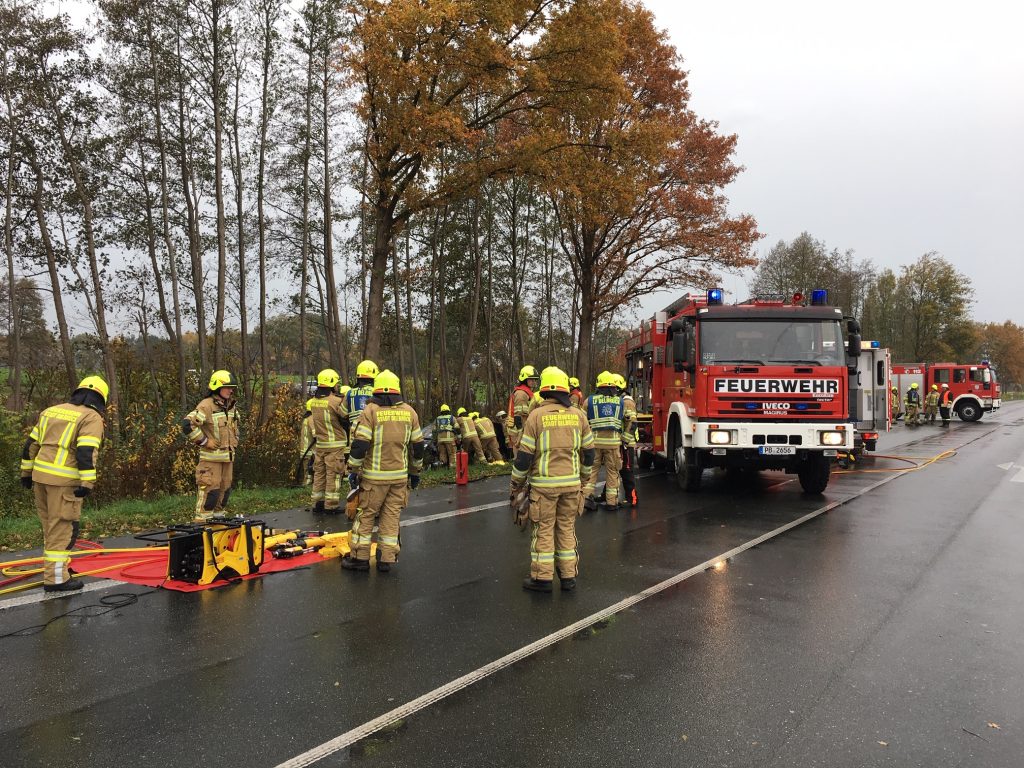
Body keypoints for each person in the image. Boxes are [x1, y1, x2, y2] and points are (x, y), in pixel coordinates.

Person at [510, 366, 595, 593]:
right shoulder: (579, 416)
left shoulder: (536, 417)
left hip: (543, 489)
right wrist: (584, 479)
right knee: (567, 529)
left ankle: (542, 579)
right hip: (572, 486)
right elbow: (589, 453)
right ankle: (568, 578)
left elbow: (524, 458)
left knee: (544, 531)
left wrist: (515, 485)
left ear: (544, 391)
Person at [20, 376, 107, 592]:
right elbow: (86, 452)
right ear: (100, 398)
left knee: (50, 527)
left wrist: (26, 473)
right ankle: (57, 579)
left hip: (41, 478)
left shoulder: (51, 411)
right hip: (65, 483)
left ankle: (58, 569)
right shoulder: (91, 417)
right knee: (62, 529)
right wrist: (87, 483)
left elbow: (30, 445)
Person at [343, 370, 424, 573]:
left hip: (373, 479)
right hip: (399, 478)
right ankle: (386, 559)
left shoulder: (370, 411)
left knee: (366, 515)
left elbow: (360, 445)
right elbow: (418, 447)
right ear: (397, 389)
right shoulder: (410, 412)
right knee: (391, 516)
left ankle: (360, 558)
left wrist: (352, 468)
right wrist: (415, 472)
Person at [183, 370, 240, 520]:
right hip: (210, 462)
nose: (231, 390)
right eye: (227, 387)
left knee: (224, 493)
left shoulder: (230, 406)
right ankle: (202, 526)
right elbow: (187, 425)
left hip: (227, 460)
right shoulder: (206, 406)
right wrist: (205, 441)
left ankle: (219, 525)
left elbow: (234, 428)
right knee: (210, 494)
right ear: (216, 387)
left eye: (231, 387)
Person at [585, 371, 626, 510]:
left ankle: (587, 498)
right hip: (613, 444)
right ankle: (611, 503)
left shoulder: (589, 401)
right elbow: (627, 420)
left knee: (591, 471)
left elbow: (583, 420)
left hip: (594, 443)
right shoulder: (620, 401)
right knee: (613, 472)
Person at [309, 368, 347, 514]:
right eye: (336, 383)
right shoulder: (335, 401)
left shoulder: (313, 402)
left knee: (319, 474)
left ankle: (317, 503)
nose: (337, 386)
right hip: (335, 445)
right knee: (333, 475)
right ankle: (331, 505)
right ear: (331, 383)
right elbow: (345, 415)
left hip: (320, 445)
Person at [341, 359, 379, 441]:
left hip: (355, 438)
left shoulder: (349, 393)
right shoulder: (376, 392)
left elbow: (342, 413)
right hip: (374, 436)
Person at [505, 365, 539, 452]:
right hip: (518, 429)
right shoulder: (521, 393)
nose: (534, 381)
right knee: (520, 454)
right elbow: (518, 415)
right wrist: (521, 431)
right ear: (524, 379)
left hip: (522, 427)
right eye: (531, 379)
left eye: (535, 379)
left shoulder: (526, 392)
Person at [297, 399, 316, 486]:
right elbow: (315, 434)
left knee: (306, 470)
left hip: (304, 449)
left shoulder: (305, 419)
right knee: (311, 469)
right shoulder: (311, 419)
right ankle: (308, 486)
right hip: (310, 449)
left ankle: (305, 485)